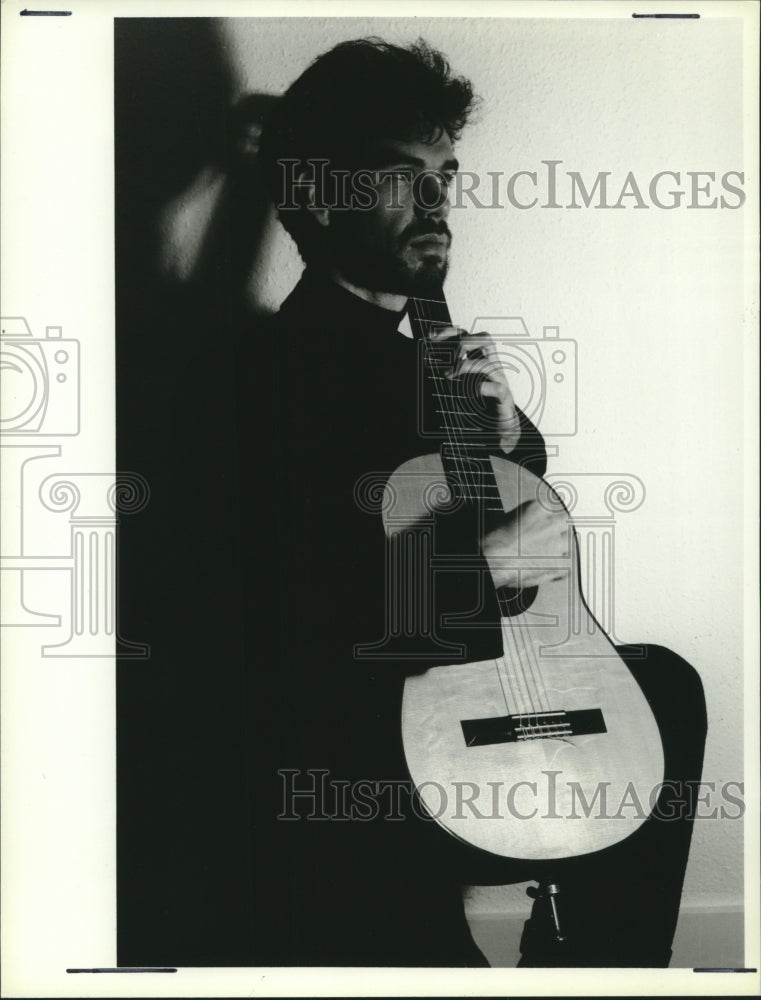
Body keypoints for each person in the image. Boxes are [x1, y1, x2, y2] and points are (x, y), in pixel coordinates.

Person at [234, 37, 707, 967]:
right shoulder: (269, 373)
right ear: (323, 192)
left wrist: (508, 444)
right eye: (402, 176)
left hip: (465, 682)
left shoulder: (423, 367)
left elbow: (512, 526)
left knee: (663, 685)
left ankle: (600, 970)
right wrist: (474, 567)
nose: (439, 199)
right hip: (356, 741)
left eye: (446, 173)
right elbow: (280, 618)